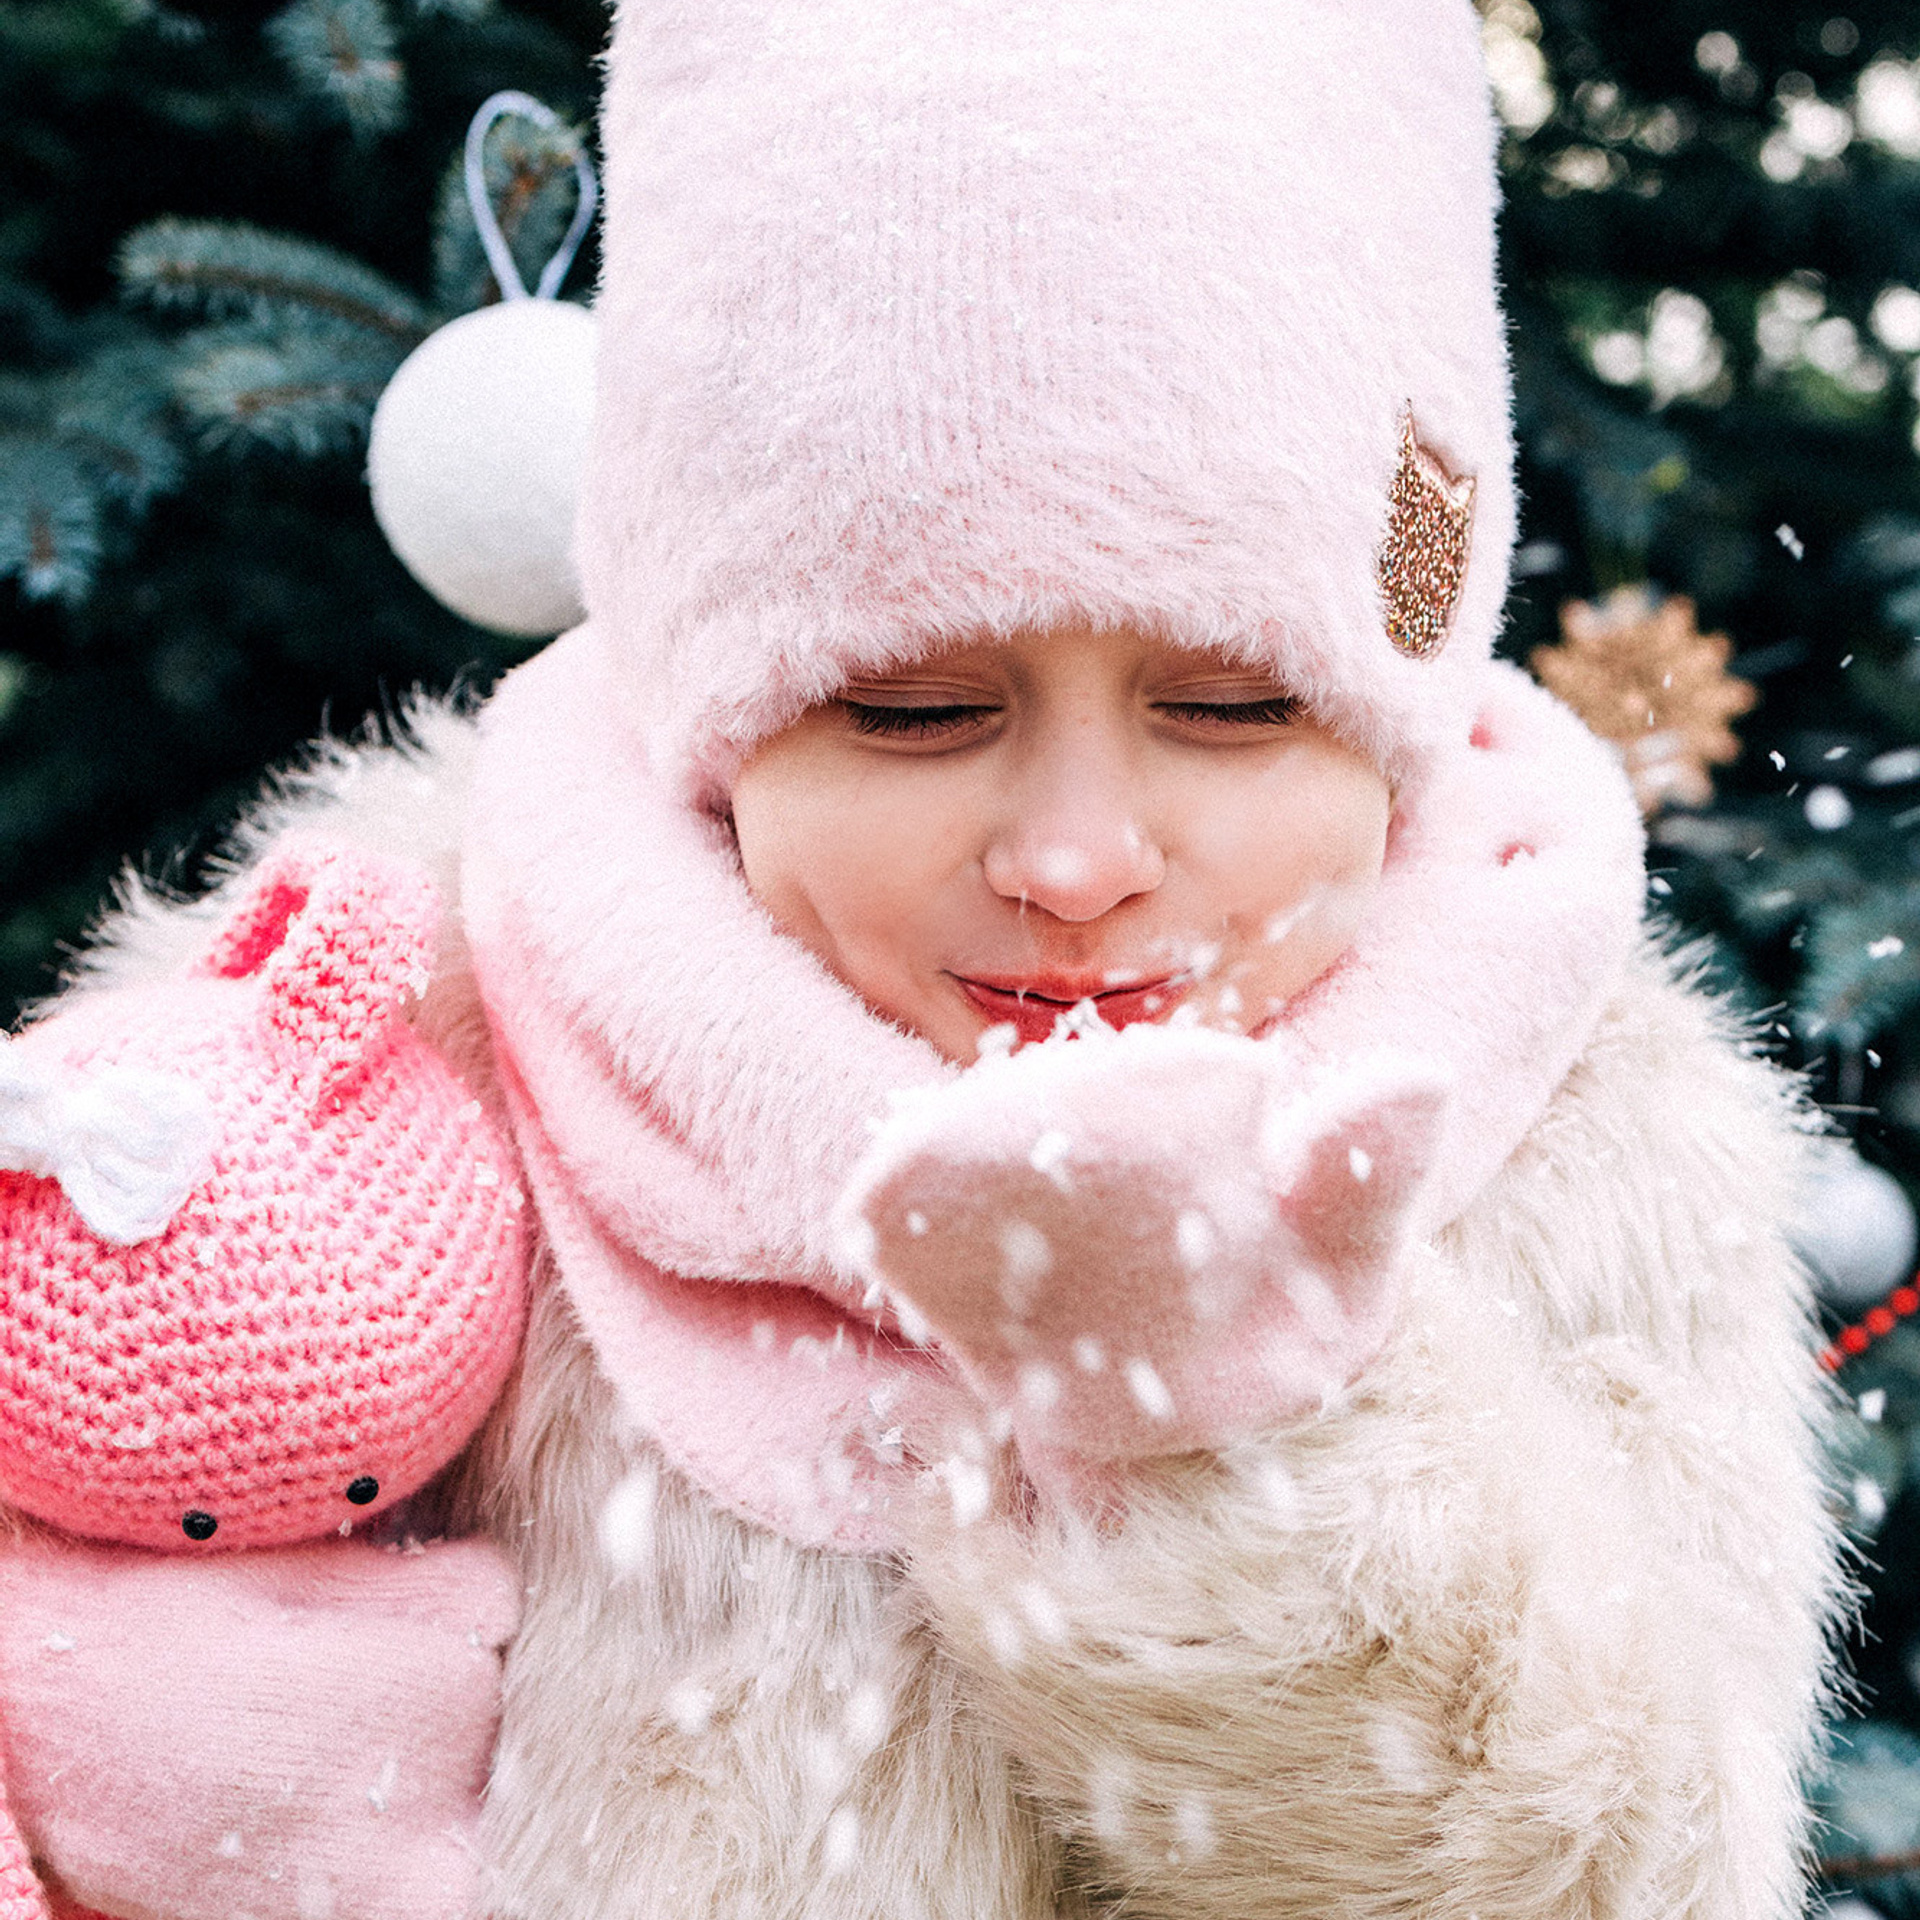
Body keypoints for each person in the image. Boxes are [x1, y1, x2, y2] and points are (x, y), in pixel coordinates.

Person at [0, 0, 1844, 1916]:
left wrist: (1233, 1419)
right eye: (913, 709)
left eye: (1225, 706)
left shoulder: (1582, 1141)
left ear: (1398, 698)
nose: (1073, 862)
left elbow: (1620, 1883)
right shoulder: (373, 1051)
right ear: (721, 718)